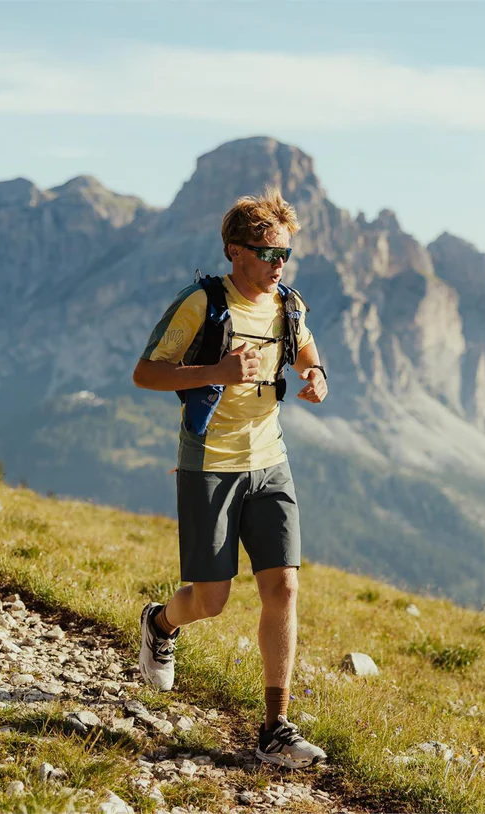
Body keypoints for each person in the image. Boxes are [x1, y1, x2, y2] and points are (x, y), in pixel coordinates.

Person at [131, 186, 329, 768]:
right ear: (233, 251)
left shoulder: (288, 305)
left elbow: (308, 355)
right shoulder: (200, 304)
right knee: (211, 601)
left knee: (284, 587)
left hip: (271, 461)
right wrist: (217, 369)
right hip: (210, 464)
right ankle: (160, 622)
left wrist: (316, 376)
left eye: (285, 255)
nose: (278, 266)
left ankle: (275, 728)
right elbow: (146, 374)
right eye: (267, 254)